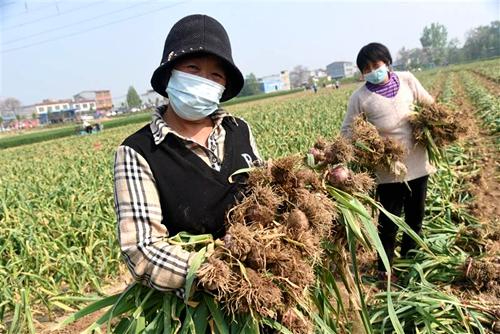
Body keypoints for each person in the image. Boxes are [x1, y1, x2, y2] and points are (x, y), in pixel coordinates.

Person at [113, 14, 261, 291]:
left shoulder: (239, 130)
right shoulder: (138, 152)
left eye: (215, 74)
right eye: (193, 68)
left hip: (263, 285)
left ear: (223, 85)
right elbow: (143, 250)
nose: (204, 80)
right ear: (170, 74)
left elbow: (268, 195)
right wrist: (215, 273)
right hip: (195, 305)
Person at [340, 42, 435, 282]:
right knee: (388, 220)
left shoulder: (407, 80)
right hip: (387, 170)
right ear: (362, 72)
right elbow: (348, 130)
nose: (373, 70)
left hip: (417, 162)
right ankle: (385, 267)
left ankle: (410, 259)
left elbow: (429, 105)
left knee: (416, 216)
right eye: (367, 68)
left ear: (387, 62)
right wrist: (339, 154)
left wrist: (434, 120)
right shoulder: (360, 97)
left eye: (377, 64)